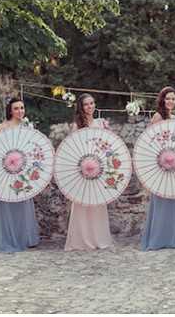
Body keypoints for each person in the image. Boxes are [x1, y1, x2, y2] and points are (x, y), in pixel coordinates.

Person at [64, 93, 114, 251]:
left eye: (92, 103)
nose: (90, 106)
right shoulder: (77, 126)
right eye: (86, 104)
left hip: (98, 169)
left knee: (97, 203)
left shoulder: (102, 124)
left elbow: (109, 145)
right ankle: (81, 240)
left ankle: (99, 238)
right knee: (82, 204)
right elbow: (73, 148)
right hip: (82, 170)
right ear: (81, 107)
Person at [0, 97, 40, 253]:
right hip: (6, 171)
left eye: (22, 108)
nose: (20, 111)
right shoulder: (3, 128)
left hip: (22, 171)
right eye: (16, 108)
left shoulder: (27, 126)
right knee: (8, 204)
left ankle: (23, 238)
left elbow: (32, 147)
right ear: (10, 111)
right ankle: (7, 239)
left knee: (21, 203)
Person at [140, 86, 175, 251]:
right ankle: (156, 238)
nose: (170, 101)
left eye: (173, 99)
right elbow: (149, 140)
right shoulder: (157, 117)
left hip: (174, 164)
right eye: (168, 98)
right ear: (162, 100)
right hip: (160, 164)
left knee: (172, 200)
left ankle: (170, 238)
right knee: (161, 200)